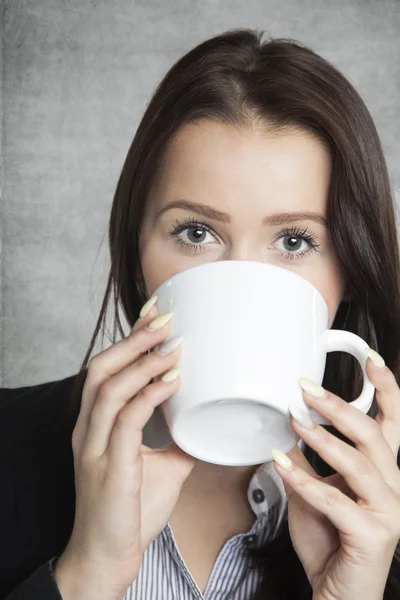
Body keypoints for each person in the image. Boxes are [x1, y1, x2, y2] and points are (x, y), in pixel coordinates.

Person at [1, 28, 399, 600]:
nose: (240, 284)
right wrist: (86, 575)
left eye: (293, 242)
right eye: (196, 232)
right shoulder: (8, 446)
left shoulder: (386, 516)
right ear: (137, 250)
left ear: (351, 272)